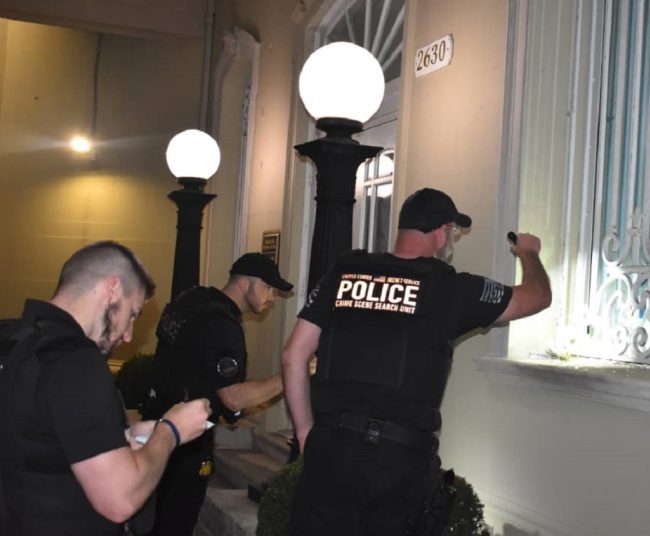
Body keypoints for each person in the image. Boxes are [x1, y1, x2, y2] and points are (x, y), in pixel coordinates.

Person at [282, 187, 552, 535]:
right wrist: (528, 253)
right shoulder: (451, 289)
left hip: (331, 448)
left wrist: (305, 432)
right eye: (453, 232)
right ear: (442, 233)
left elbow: (293, 356)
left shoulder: (345, 271)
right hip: (397, 462)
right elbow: (537, 296)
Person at [0, 240, 211, 535]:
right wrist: (171, 432)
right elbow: (119, 499)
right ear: (112, 289)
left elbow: (37, 437)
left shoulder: (13, 342)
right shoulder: (76, 362)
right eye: (133, 314)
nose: (128, 335)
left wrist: (125, 437)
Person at [142, 252, 293, 535]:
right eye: (268, 287)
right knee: (175, 522)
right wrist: (289, 376)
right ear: (246, 283)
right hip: (185, 443)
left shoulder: (191, 300)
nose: (271, 297)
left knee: (154, 520)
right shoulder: (222, 325)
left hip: (155, 427)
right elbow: (233, 397)